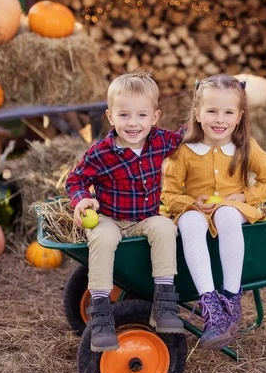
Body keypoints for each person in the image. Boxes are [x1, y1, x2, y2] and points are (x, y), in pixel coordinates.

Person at [66, 71, 184, 353]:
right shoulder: (102, 152)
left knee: (165, 227)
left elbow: (183, 137)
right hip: (109, 218)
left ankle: (164, 303)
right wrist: (82, 199)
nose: (133, 123)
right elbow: (76, 179)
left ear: (155, 117)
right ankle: (101, 314)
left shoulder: (159, 141)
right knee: (103, 238)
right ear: (110, 117)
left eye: (142, 116)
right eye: (124, 115)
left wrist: (205, 120)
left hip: (143, 220)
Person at [161, 74, 266, 350]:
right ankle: (211, 304)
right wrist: (191, 204)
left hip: (234, 209)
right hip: (196, 210)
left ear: (239, 116)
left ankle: (231, 296)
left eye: (228, 112)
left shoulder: (245, 147)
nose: (219, 119)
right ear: (197, 113)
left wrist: (244, 195)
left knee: (226, 212)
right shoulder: (184, 151)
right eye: (212, 111)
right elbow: (168, 194)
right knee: (190, 221)